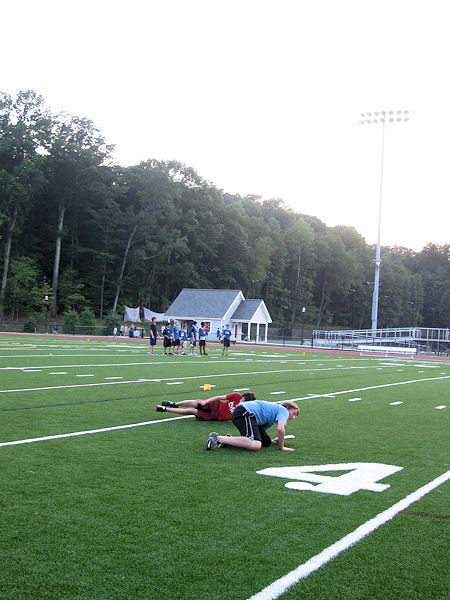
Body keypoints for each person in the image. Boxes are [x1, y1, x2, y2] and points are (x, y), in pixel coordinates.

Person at [205, 400, 299, 451]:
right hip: (245, 412)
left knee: (266, 442)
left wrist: (274, 441)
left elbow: (259, 430)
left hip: (246, 413)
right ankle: (218, 438)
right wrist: (282, 447)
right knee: (256, 444)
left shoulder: (274, 414)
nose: (293, 417)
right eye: (294, 413)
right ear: (288, 408)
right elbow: (280, 429)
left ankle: (228, 440)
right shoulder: (283, 410)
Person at [156, 392, 256, 420]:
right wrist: (205, 402)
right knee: (196, 403)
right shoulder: (237, 396)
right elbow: (219, 397)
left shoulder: (245, 409)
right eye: (242, 399)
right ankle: (175, 404)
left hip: (216, 416)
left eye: (244, 401)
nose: (241, 402)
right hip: (217, 405)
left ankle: (165, 409)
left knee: (193, 411)